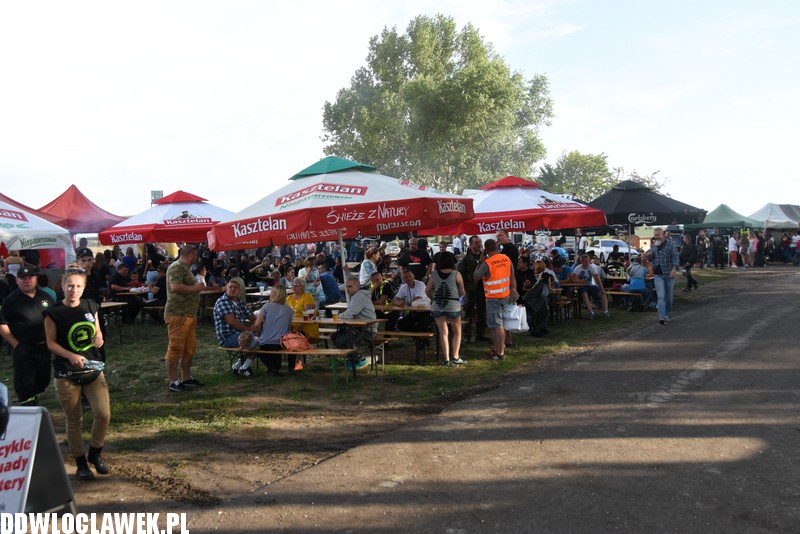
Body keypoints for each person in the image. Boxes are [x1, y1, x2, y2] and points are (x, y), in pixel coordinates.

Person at [43, 266, 110, 481]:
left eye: (78, 286)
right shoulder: (53, 313)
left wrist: (99, 337)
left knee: (103, 414)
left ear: (84, 287)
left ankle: (95, 453)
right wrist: (71, 355)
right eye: (70, 286)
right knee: (74, 420)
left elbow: (96, 329)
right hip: (67, 373)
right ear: (62, 286)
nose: (74, 290)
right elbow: (51, 343)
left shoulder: (90, 305)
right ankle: (81, 463)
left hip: (92, 368)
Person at [0, 266, 56, 405]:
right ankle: (27, 404)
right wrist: (15, 344)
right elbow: (2, 323)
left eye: (30, 277)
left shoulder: (45, 296)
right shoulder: (11, 300)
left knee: (43, 380)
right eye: (23, 278)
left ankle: (34, 395)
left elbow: (55, 318)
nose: (27, 281)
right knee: (25, 382)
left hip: (44, 346)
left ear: (36, 279)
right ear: (17, 281)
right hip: (23, 347)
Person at [164, 244, 206, 392]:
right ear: (191, 254)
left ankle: (186, 378)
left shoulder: (185, 268)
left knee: (189, 348)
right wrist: (196, 288)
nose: (197, 258)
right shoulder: (176, 267)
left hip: (188, 314)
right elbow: (175, 287)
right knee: (175, 348)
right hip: (177, 314)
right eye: (196, 255)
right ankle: (173, 381)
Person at [473, 239, 515, 361]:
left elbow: (476, 276)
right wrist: (513, 291)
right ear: (496, 247)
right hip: (506, 295)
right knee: (497, 324)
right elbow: (512, 276)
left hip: (493, 297)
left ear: (485, 250)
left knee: (497, 325)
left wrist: (480, 262)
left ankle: (500, 352)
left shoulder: (487, 263)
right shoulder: (506, 259)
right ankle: (497, 348)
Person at [240, 285, 295, 376]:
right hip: (282, 344)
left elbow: (257, 324)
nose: (270, 294)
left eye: (272, 292)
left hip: (265, 343)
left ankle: (243, 366)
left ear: (276, 294)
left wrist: (259, 332)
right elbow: (288, 328)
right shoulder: (289, 309)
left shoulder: (266, 306)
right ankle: (289, 368)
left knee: (255, 345)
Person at [425, 251, 465, 366]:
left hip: (438, 305)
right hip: (453, 305)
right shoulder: (456, 274)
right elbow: (462, 292)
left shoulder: (433, 275)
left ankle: (446, 358)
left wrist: (433, 298)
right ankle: (456, 356)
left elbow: (427, 290)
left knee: (443, 333)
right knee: (457, 332)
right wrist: (458, 297)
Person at [213, 280, 259, 377]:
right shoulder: (222, 301)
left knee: (262, 338)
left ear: (239, 290)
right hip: (228, 337)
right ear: (226, 289)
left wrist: (255, 324)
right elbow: (232, 322)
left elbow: (253, 318)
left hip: (240, 335)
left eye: (235, 287)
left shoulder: (239, 302)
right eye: (230, 287)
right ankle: (244, 368)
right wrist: (249, 331)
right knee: (257, 341)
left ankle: (237, 367)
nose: (232, 289)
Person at [341, 276, 378, 370]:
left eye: (350, 286)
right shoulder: (355, 296)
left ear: (357, 287)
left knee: (344, 338)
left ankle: (360, 359)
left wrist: (337, 317)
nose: (347, 289)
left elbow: (350, 312)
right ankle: (353, 358)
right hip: (359, 328)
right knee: (337, 336)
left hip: (368, 330)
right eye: (346, 286)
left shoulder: (359, 296)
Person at [647, 227, 680, 325]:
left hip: (669, 274)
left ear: (663, 234)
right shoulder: (654, 246)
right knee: (661, 296)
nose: (656, 237)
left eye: (658, 235)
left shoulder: (671, 244)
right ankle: (661, 317)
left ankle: (667, 314)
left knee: (669, 298)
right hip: (658, 274)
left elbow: (676, 258)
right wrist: (649, 257)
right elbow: (651, 259)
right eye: (655, 235)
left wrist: (674, 270)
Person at [458, 235, 487, 343]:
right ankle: (467, 335)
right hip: (469, 289)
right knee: (468, 312)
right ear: (470, 245)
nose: (479, 244)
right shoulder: (466, 259)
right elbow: (460, 275)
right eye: (476, 242)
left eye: (480, 242)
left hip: (482, 289)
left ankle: (480, 334)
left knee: (482, 311)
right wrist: (463, 288)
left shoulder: (484, 257)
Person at [286, 278, 318, 371]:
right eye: (293, 285)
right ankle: (284, 365)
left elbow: (307, 317)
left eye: (297, 285)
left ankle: (296, 365)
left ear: (303, 287)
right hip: (291, 326)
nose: (294, 287)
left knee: (296, 338)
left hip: (306, 327)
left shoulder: (307, 297)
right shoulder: (289, 298)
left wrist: (297, 330)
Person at [572, 254, 610, 319]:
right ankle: (591, 312)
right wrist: (580, 281)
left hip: (590, 285)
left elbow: (598, 280)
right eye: (585, 261)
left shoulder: (592, 268)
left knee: (602, 293)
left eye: (588, 260)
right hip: (582, 286)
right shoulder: (578, 268)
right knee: (584, 294)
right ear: (582, 261)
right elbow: (573, 279)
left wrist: (602, 289)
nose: (587, 262)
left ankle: (606, 311)